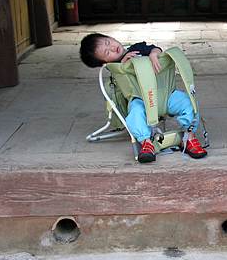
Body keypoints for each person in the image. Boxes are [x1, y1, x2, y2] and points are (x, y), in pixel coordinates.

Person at [80, 33, 207, 163]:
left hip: (165, 94)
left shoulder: (138, 47)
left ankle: (189, 136)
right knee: (134, 114)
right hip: (141, 100)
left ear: (111, 38)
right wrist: (123, 65)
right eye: (107, 53)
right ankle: (146, 143)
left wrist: (153, 54)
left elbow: (156, 49)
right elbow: (120, 76)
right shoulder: (117, 67)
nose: (112, 48)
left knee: (187, 102)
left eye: (108, 42)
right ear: (106, 63)